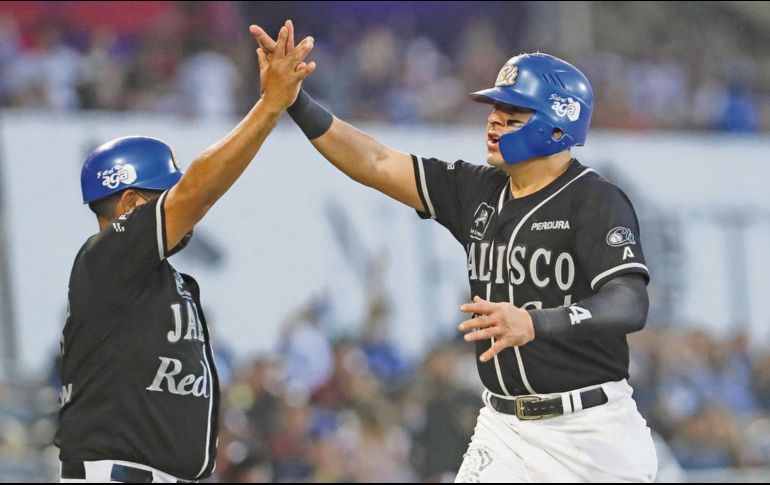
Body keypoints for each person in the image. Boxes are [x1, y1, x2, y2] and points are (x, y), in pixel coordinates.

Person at [252, 21, 658, 483]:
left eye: (513, 112)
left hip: (591, 431)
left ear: (556, 125)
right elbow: (376, 161)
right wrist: (295, 102)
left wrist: (536, 321)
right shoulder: (477, 190)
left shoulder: (594, 199)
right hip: (505, 428)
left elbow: (630, 301)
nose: (494, 120)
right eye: (495, 108)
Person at [54, 22, 315, 483]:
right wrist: (270, 106)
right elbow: (199, 190)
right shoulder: (107, 255)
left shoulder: (155, 278)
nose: (183, 206)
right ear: (132, 205)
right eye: (164, 194)